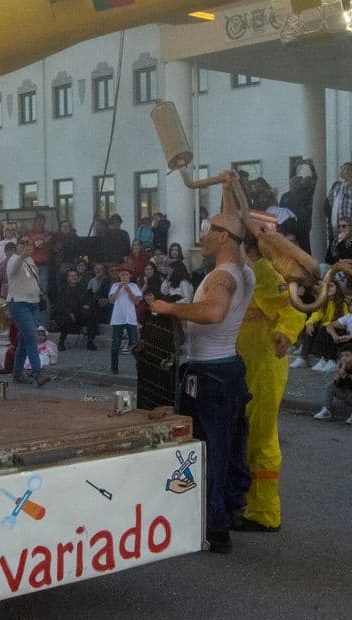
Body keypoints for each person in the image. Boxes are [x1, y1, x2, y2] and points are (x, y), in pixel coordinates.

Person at [150, 174, 256, 555]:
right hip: (226, 369)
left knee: (208, 450)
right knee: (226, 447)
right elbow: (234, 225)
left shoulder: (222, 278)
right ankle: (226, 511)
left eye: (209, 229)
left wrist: (169, 308)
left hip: (210, 374)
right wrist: (227, 188)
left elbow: (213, 312)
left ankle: (214, 526)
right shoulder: (242, 267)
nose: (203, 234)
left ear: (222, 238)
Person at [234, 229, 305, 532]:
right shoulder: (250, 270)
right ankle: (254, 505)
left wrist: (284, 333)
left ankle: (264, 512)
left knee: (261, 438)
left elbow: (291, 308)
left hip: (263, 365)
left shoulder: (262, 271)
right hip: (252, 363)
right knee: (253, 436)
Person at [6, 237, 51, 386]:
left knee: (25, 339)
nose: (25, 245)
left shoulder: (31, 260)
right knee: (31, 336)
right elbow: (13, 271)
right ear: (17, 246)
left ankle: (17, 374)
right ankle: (37, 372)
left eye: (28, 243)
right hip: (18, 302)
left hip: (33, 303)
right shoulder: (14, 259)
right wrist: (21, 256)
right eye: (22, 243)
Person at [289, 280, 346, 371]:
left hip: (338, 329)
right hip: (325, 328)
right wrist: (310, 322)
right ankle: (303, 358)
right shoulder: (323, 301)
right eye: (327, 287)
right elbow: (317, 313)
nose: (329, 289)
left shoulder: (343, 302)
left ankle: (331, 360)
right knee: (310, 327)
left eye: (331, 286)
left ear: (337, 288)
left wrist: (327, 325)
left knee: (324, 329)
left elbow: (343, 320)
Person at [312, 343, 352, 424]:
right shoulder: (343, 366)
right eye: (342, 356)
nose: (343, 358)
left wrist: (345, 377)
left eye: (347, 355)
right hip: (348, 396)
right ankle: (326, 410)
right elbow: (342, 386)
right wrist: (337, 380)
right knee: (330, 385)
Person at [107, 264, 142, 375]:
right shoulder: (115, 285)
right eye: (122, 275)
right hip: (118, 318)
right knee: (115, 344)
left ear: (130, 276)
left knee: (134, 344)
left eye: (126, 275)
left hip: (130, 318)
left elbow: (136, 301)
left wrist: (128, 290)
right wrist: (119, 288)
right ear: (119, 275)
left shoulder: (134, 286)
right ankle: (114, 368)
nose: (124, 277)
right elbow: (111, 300)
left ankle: (141, 368)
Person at [53, 268, 97, 351]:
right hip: (67, 314)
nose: (74, 277)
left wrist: (87, 305)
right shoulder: (62, 289)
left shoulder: (83, 288)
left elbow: (88, 301)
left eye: (75, 275)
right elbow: (61, 304)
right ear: (67, 278)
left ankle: (90, 341)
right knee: (65, 318)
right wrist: (70, 313)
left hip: (80, 313)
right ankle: (61, 341)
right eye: (71, 276)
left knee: (91, 316)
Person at [326, 161, 352, 245]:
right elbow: (331, 200)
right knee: (337, 245)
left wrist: (345, 186)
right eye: (341, 169)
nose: (341, 171)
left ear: (351, 171)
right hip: (337, 222)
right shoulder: (339, 185)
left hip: (350, 221)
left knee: (349, 244)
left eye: (344, 169)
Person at [24, 214, 54, 296]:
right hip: (32, 265)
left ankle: (44, 304)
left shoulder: (48, 234)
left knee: (44, 288)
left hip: (45, 265)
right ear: (35, 222)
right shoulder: (29, 234)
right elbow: (27, 249)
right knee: (32, 286)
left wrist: (45, 242)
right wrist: (38, 242)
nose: (40, 223)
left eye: (42, 221)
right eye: (38, 221)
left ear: (44, 222)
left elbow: (51, 249)